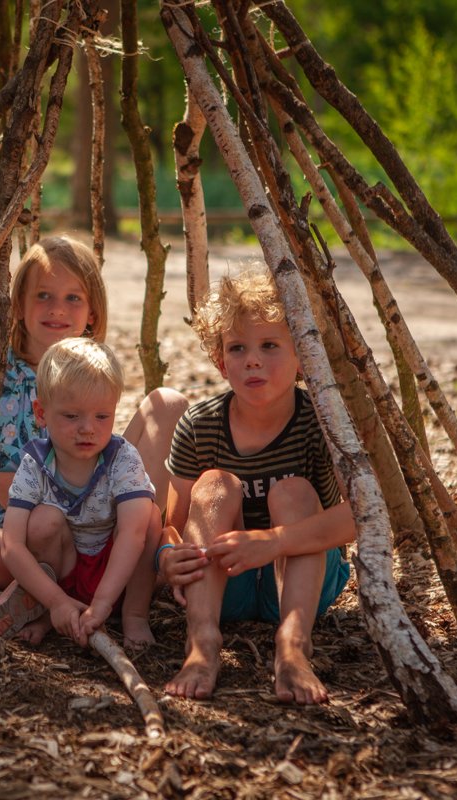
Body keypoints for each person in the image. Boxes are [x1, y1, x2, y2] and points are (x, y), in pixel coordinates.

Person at [0, 236, 185, 642]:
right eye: (43, 295)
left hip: (96, 519)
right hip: (16, 525)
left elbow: (110, 452)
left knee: (168, 403)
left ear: (93, 311)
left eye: (73, 298)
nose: (57, 309)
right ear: (19, 305)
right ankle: (48, 594)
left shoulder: (95, 370)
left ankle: (137, 572)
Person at [157, 271, 354, 704]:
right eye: (237, 348)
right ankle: (202, 641)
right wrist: (168, 557)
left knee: (293, 491)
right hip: (224, 583)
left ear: (302, 355)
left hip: (305, 579)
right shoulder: (200, 425)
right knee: (215, 484)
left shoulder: (320, 422)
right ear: (219, 360)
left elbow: (360, 515)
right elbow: (172, 525)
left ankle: (293, 648)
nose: (252, 360)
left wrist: (273, 543)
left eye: (269, 345)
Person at [0, 338, 159, 649]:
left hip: (114, 570)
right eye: (72, 416)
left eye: (101, 416)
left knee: (149, 517)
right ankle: (50, 611)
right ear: (41, 413)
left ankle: (134, 614)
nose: (88, 428)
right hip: (63, 570)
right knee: (42, 520)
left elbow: (132, 535)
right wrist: (56, 600)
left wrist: (102, 603)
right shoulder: (34, 465)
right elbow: (12, 546)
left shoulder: (122, 458)